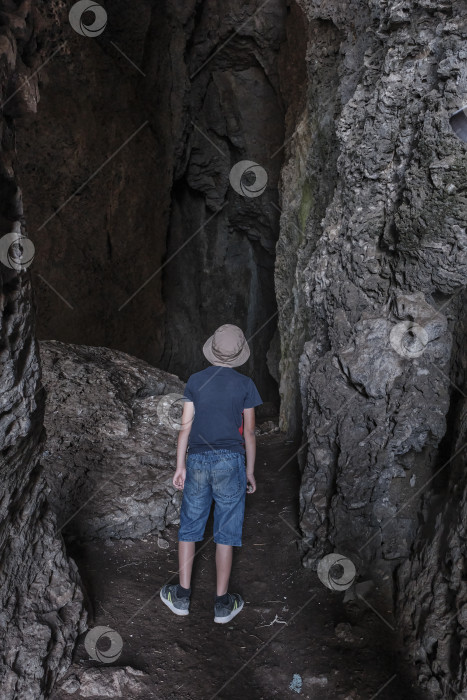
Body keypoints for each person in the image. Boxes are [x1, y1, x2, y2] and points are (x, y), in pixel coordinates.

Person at [160, 324, 263, 623]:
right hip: (231, 462)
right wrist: (250, 471)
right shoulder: (246, 385)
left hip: (198, 460)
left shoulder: (195, 381)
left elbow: (185, 427)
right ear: (239, 353)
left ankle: (181, 596)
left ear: (212, 349)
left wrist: (180, 465)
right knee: (226, 532)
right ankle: (221, 604)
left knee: (190, 526)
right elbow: (251, 433)